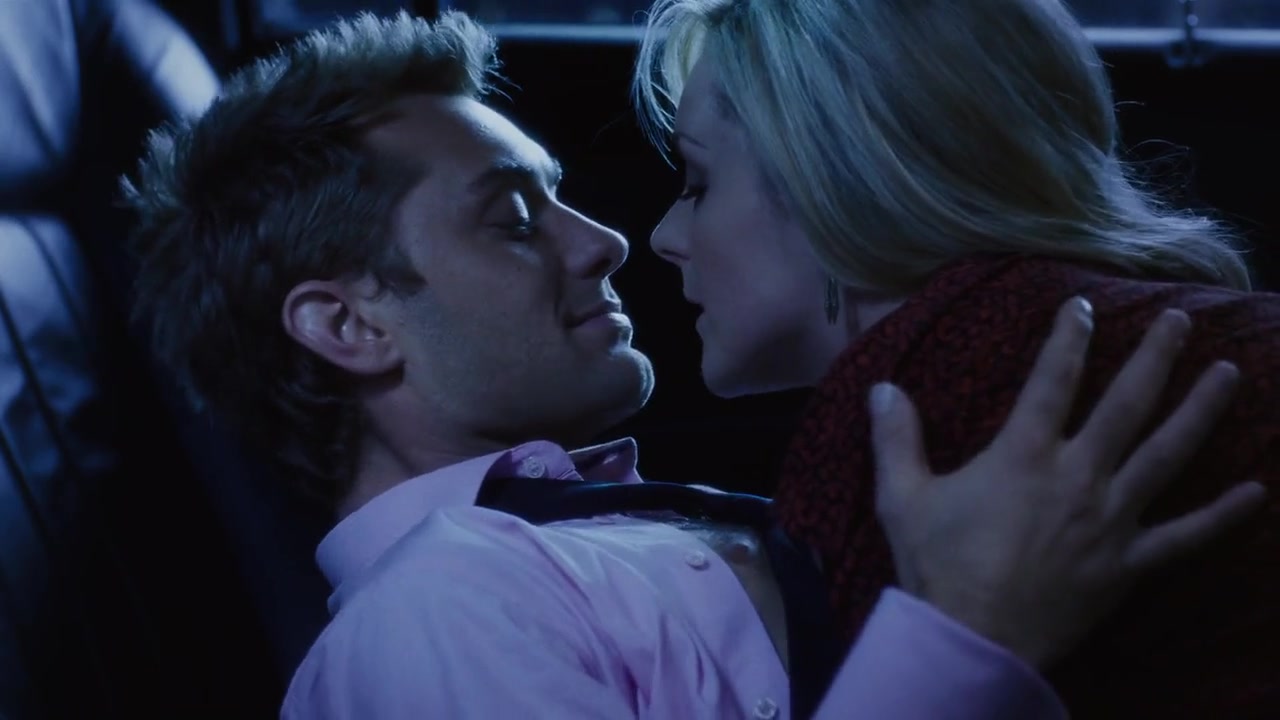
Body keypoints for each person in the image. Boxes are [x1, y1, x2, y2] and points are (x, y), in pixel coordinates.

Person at [119, 11, 1262, 719]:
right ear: (348, 325)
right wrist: (963, 632)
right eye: (512, 218)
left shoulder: (637, 532)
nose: (607, 241)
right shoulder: (435, 616)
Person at [633, 0, 1280, 717]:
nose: (664, 235)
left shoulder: (919, 408)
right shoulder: (1178, 338)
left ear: (834, 177)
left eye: (699, 182)